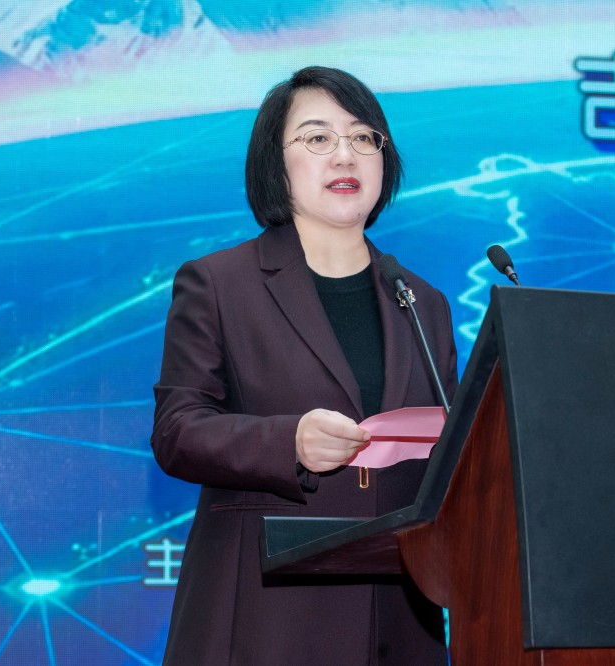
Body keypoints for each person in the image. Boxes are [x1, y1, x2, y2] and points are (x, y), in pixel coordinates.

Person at [151, 66, 457, 665]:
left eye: (364, 137)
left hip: (400, 622)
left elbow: (450, 457)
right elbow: (177, 430)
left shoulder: (422, 302)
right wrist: (287, 441)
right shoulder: (219, 284)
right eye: (318, 137)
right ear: (277, 162)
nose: (346, 154)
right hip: (266, 618)